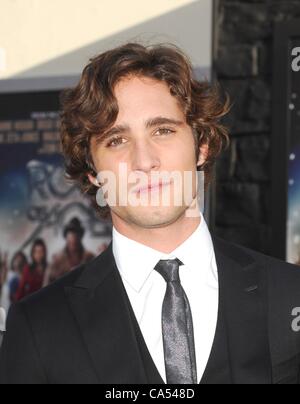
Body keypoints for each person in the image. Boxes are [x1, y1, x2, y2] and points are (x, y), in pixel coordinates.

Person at [1, 42, 300, 385]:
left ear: (201, 145)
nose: (145, 161)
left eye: (163, 130)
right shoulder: (39, 327)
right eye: (116, 140)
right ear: (93, 172)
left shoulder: (290, 295)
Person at [43, 218, 95, 286]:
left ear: (80, 236)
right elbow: (46, 287)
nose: (74, 238)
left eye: (76, 233)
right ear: (66, 237)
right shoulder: (56, 260)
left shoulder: (90, 258)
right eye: (71, 234)